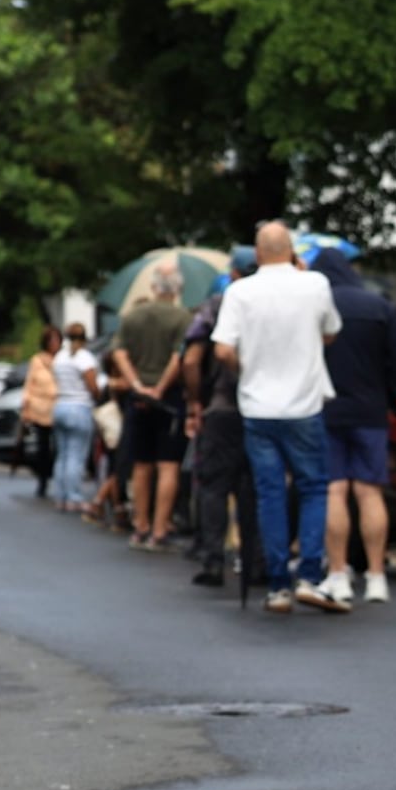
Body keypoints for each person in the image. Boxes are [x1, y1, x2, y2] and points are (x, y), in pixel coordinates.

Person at [213, 222, 346, 616]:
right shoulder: (315, 285)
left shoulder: (239, 291)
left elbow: (221, 351)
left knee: (269, 492)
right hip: (304, 405)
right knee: (312, 487)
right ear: (292, 251)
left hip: (257, 406)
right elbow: (331, 333)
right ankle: (308, 573)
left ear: (256, 254)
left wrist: (246, 368)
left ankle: (276, 585)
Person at [310, 246, 396, 609]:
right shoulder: (380, 307)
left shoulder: (317, 308)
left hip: (327, 409)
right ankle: (376, 576)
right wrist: (387, 400)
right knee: (369, 492)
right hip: (371, 411)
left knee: (334, 491)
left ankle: (339, 573)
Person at [181, 251, 258, 588]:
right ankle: (258, 562)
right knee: (255, 488)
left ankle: (213, 560)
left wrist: (195, 402)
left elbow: (190, 360)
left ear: (234, 272)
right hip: (262, 407)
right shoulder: (272, 304)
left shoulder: (216, 305)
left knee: (213, 486)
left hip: (222, 407)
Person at [113, 263, 192, 551]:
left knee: (141, 464)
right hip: (169, 399)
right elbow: (178, 358)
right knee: (168, 465)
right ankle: (160, 530)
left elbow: (119, 352)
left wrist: (135, 384)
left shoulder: (133, 316)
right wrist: (160, 388)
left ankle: (140, 525)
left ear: (154, 287)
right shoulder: (182, 318)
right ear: (177, 289)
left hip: (138, 399)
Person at [49, 322, 103, 515]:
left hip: (60, 406)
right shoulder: (84, 358)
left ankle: (60, 496)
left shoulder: (60, 358)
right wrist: (97, 395)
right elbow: (92, 385)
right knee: (76, 456)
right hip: (79, 408)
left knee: (62, 455)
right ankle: (74, 497)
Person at [20, 328, 61, 498]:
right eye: (52, 340)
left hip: (58, 406)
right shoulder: (36, 361)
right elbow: (29, 385)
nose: (55, 344)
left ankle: (58, 479)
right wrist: (26, 407)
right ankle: (43, 480)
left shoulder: (63, 360)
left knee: (59, 447)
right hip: (40, 408)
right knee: (42, 447)